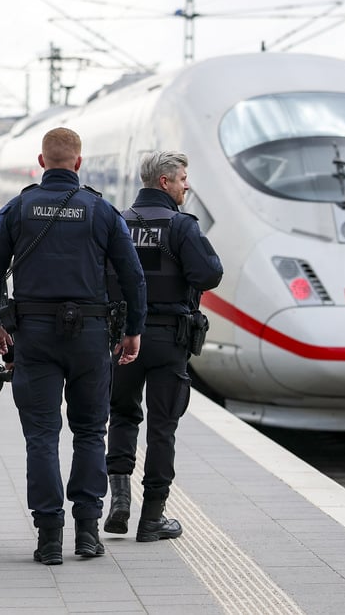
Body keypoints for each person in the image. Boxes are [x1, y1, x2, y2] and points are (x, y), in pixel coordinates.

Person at [0, 127, 146, 565]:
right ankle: (87, 534)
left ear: (41, 161)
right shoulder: (102, 211)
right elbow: (133, 277)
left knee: (41, 436)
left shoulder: (16, 209)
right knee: (90, 432)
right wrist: (133, 329)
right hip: (91, 337)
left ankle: (49, 537)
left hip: (33, 336)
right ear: (78, 162)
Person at [104, 150, 223, 542]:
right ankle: (152, 517)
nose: (187, 185)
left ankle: (119, 501)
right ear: (164, 182)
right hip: (169, 339)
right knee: (162, 427)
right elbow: (209, 273)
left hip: (124, 338)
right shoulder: (182, 227)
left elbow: (103, 279)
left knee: (122, 416)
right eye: (183, 178)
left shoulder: (117, 223)